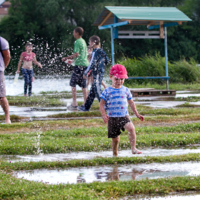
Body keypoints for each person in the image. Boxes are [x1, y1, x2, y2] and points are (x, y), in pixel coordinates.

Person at [99, 64, 144, 156]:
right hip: (112, 118)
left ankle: (133, 148)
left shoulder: (126, 90)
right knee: (115, 139)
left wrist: (137, 114)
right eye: (116, 79)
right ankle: (115, 154)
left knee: (131, 128)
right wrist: (104, 115)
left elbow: (131, 103)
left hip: (124, 116)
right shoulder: (107, 91)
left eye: (122, 79)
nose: (119, 81)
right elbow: (101, 104)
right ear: (110, 77)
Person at [78, 35, 109, 111]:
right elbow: (107, 61)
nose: (89, 43)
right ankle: (86, 107)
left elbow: (92, 63)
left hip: (98, 73)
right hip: (99, 72)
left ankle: (106, 106)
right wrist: (101, 66)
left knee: (98, 90)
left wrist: (86, 72)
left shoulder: (96, 51)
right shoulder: (101, 51)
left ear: (94, 42)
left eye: (89, 42)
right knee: (92, 91)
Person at [62, 27, 89, 110]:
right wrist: (72, 60)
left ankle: (74, 103)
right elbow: (81, 55)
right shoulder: (83, 41)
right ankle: (86, 103)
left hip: (79, 65)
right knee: (83, 84)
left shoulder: (77, 42)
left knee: (72, 83)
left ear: (77, 33)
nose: (73, 34)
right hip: (85, 65)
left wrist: (66, 58)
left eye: (74, 32)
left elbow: (76, 54)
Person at [0, 36, 11, 124]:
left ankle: (7, 118)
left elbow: (7, 57)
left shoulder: (2, 41)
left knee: (1, 96)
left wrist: (3, 68)